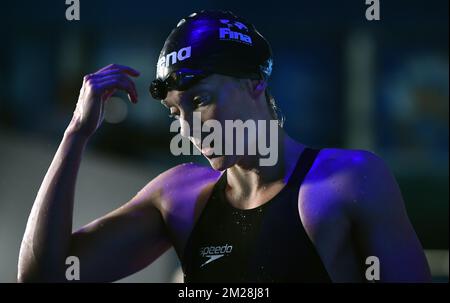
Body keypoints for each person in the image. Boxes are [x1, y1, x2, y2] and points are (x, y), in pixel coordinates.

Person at [18, 10, 431, 282]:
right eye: (176, 113)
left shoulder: (346, 182)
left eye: (200, 101)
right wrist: (75, 134)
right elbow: (43, 277)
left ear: (255, 83)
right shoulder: (179, 198)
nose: (190, 128)